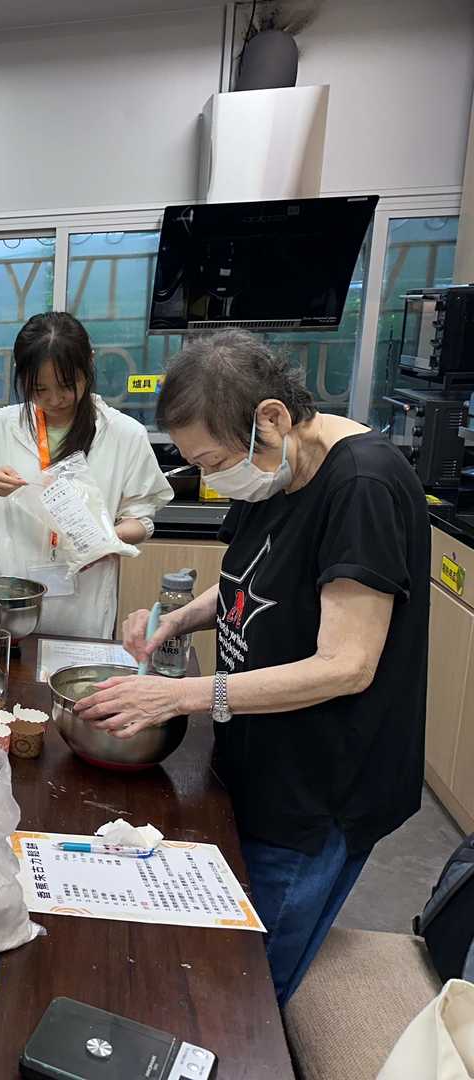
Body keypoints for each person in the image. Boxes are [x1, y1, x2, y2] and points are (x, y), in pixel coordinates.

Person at [75, 329, 429, 1008]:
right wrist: (178, 618)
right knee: (209, 955)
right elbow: (246, 580)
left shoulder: (362, 486)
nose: (210, 479)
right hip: (259, 757)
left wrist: (184, 697)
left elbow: (346, 666)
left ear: (270, 416)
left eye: (211, 459)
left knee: (244, 990)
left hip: (321, 788)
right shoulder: (278, 465)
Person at [0, 312, 171, 639]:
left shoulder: (125, 435)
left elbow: (143, 520)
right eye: (39, 388)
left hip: (82, 606)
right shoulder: (0, 427)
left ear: (90, 363)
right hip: (6, 607)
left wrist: (106, 538)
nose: (55, 400)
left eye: (67, 385)